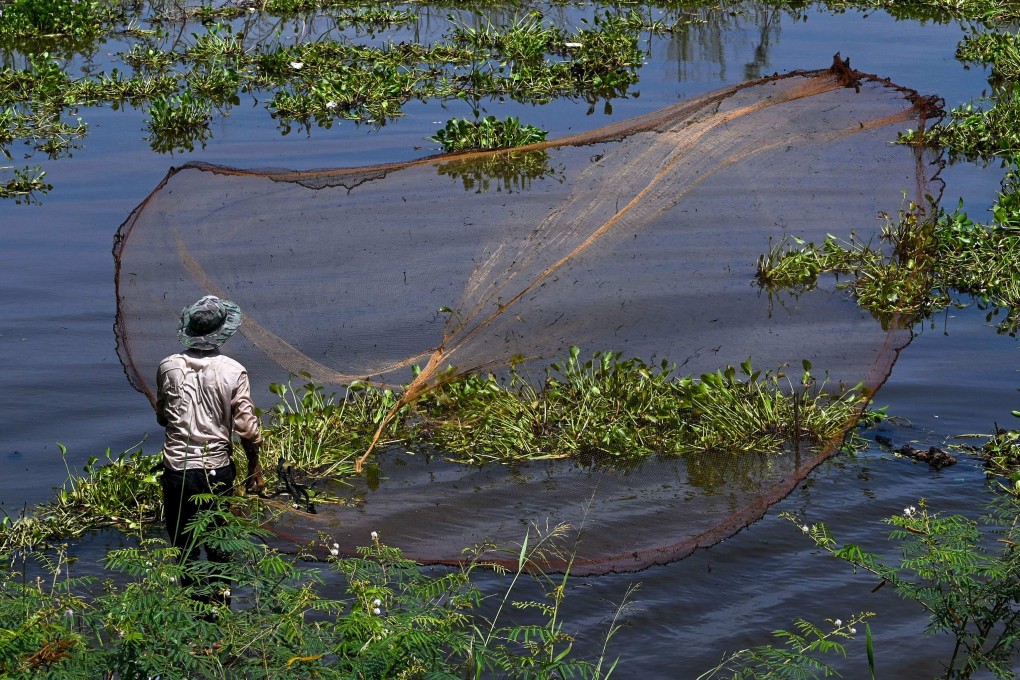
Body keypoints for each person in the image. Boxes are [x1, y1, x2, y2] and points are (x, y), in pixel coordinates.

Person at [156, 295, 265, 607]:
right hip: (216, 471)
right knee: (219, 545)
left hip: (177, 471)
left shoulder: (168, 367)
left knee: (183, 545)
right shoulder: (234, 371)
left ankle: (193, 615)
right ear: (223, 333)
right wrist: (255, 468)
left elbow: (163, 417)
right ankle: (220, 614)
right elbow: (246, 429)